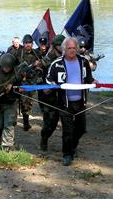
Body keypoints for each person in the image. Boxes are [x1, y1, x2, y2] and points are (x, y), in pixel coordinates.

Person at [46, 37, 97, 166]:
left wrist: (93, 82)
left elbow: (89, 78)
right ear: (64, 49)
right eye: (69, 48)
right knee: (67, 130)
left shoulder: (83, 61)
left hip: (81, 102)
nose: (72, 51)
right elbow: (48, 79)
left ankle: (72, 146)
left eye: (74, 48)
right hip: (64, 103)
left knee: (81, 128)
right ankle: (67, 154)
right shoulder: (57, 63)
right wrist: (51, 84)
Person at [38, 34, 65, 151]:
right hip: (48, 96)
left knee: (69, 121)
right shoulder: (47, 60)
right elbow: (37, 75)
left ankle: (69, 147)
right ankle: (44, 139)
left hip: (64, 94)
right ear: (55, 46)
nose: (64, 47)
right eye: (61, 45)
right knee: (51, 122)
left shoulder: (68, 57)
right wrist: (44, 86)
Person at [15, 34, 42, 131]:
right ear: (23, 43)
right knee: (23, 101)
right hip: (22, 81)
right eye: (26, 43)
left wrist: (39, 67)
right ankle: (25, 122)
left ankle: (25, 120)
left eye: (30, 43)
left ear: (32, 43)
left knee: (29, 101)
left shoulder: (36, 53)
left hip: (33, 81)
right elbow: (14, 67)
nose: (28, 45)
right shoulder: (19, 53)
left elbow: (42, 64)